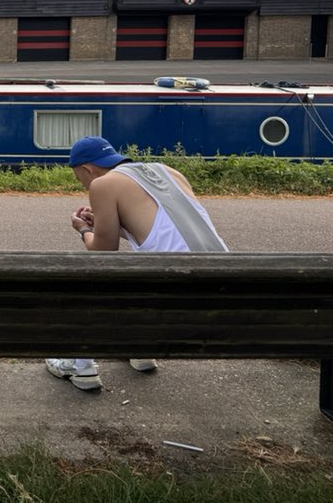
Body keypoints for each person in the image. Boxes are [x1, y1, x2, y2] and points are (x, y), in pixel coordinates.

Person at [46, 135, 229, 391]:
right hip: (227, 287)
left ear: (87, 169)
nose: (84, 185)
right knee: (143, 275)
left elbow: (103, 253)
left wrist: (83, 230)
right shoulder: (168, 172)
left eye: (80, 179)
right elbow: (161, 230)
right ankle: (140, 349)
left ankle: (79, 365)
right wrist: (104, 223)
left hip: (179, 297)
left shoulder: (102, 184)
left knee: (86, 280)